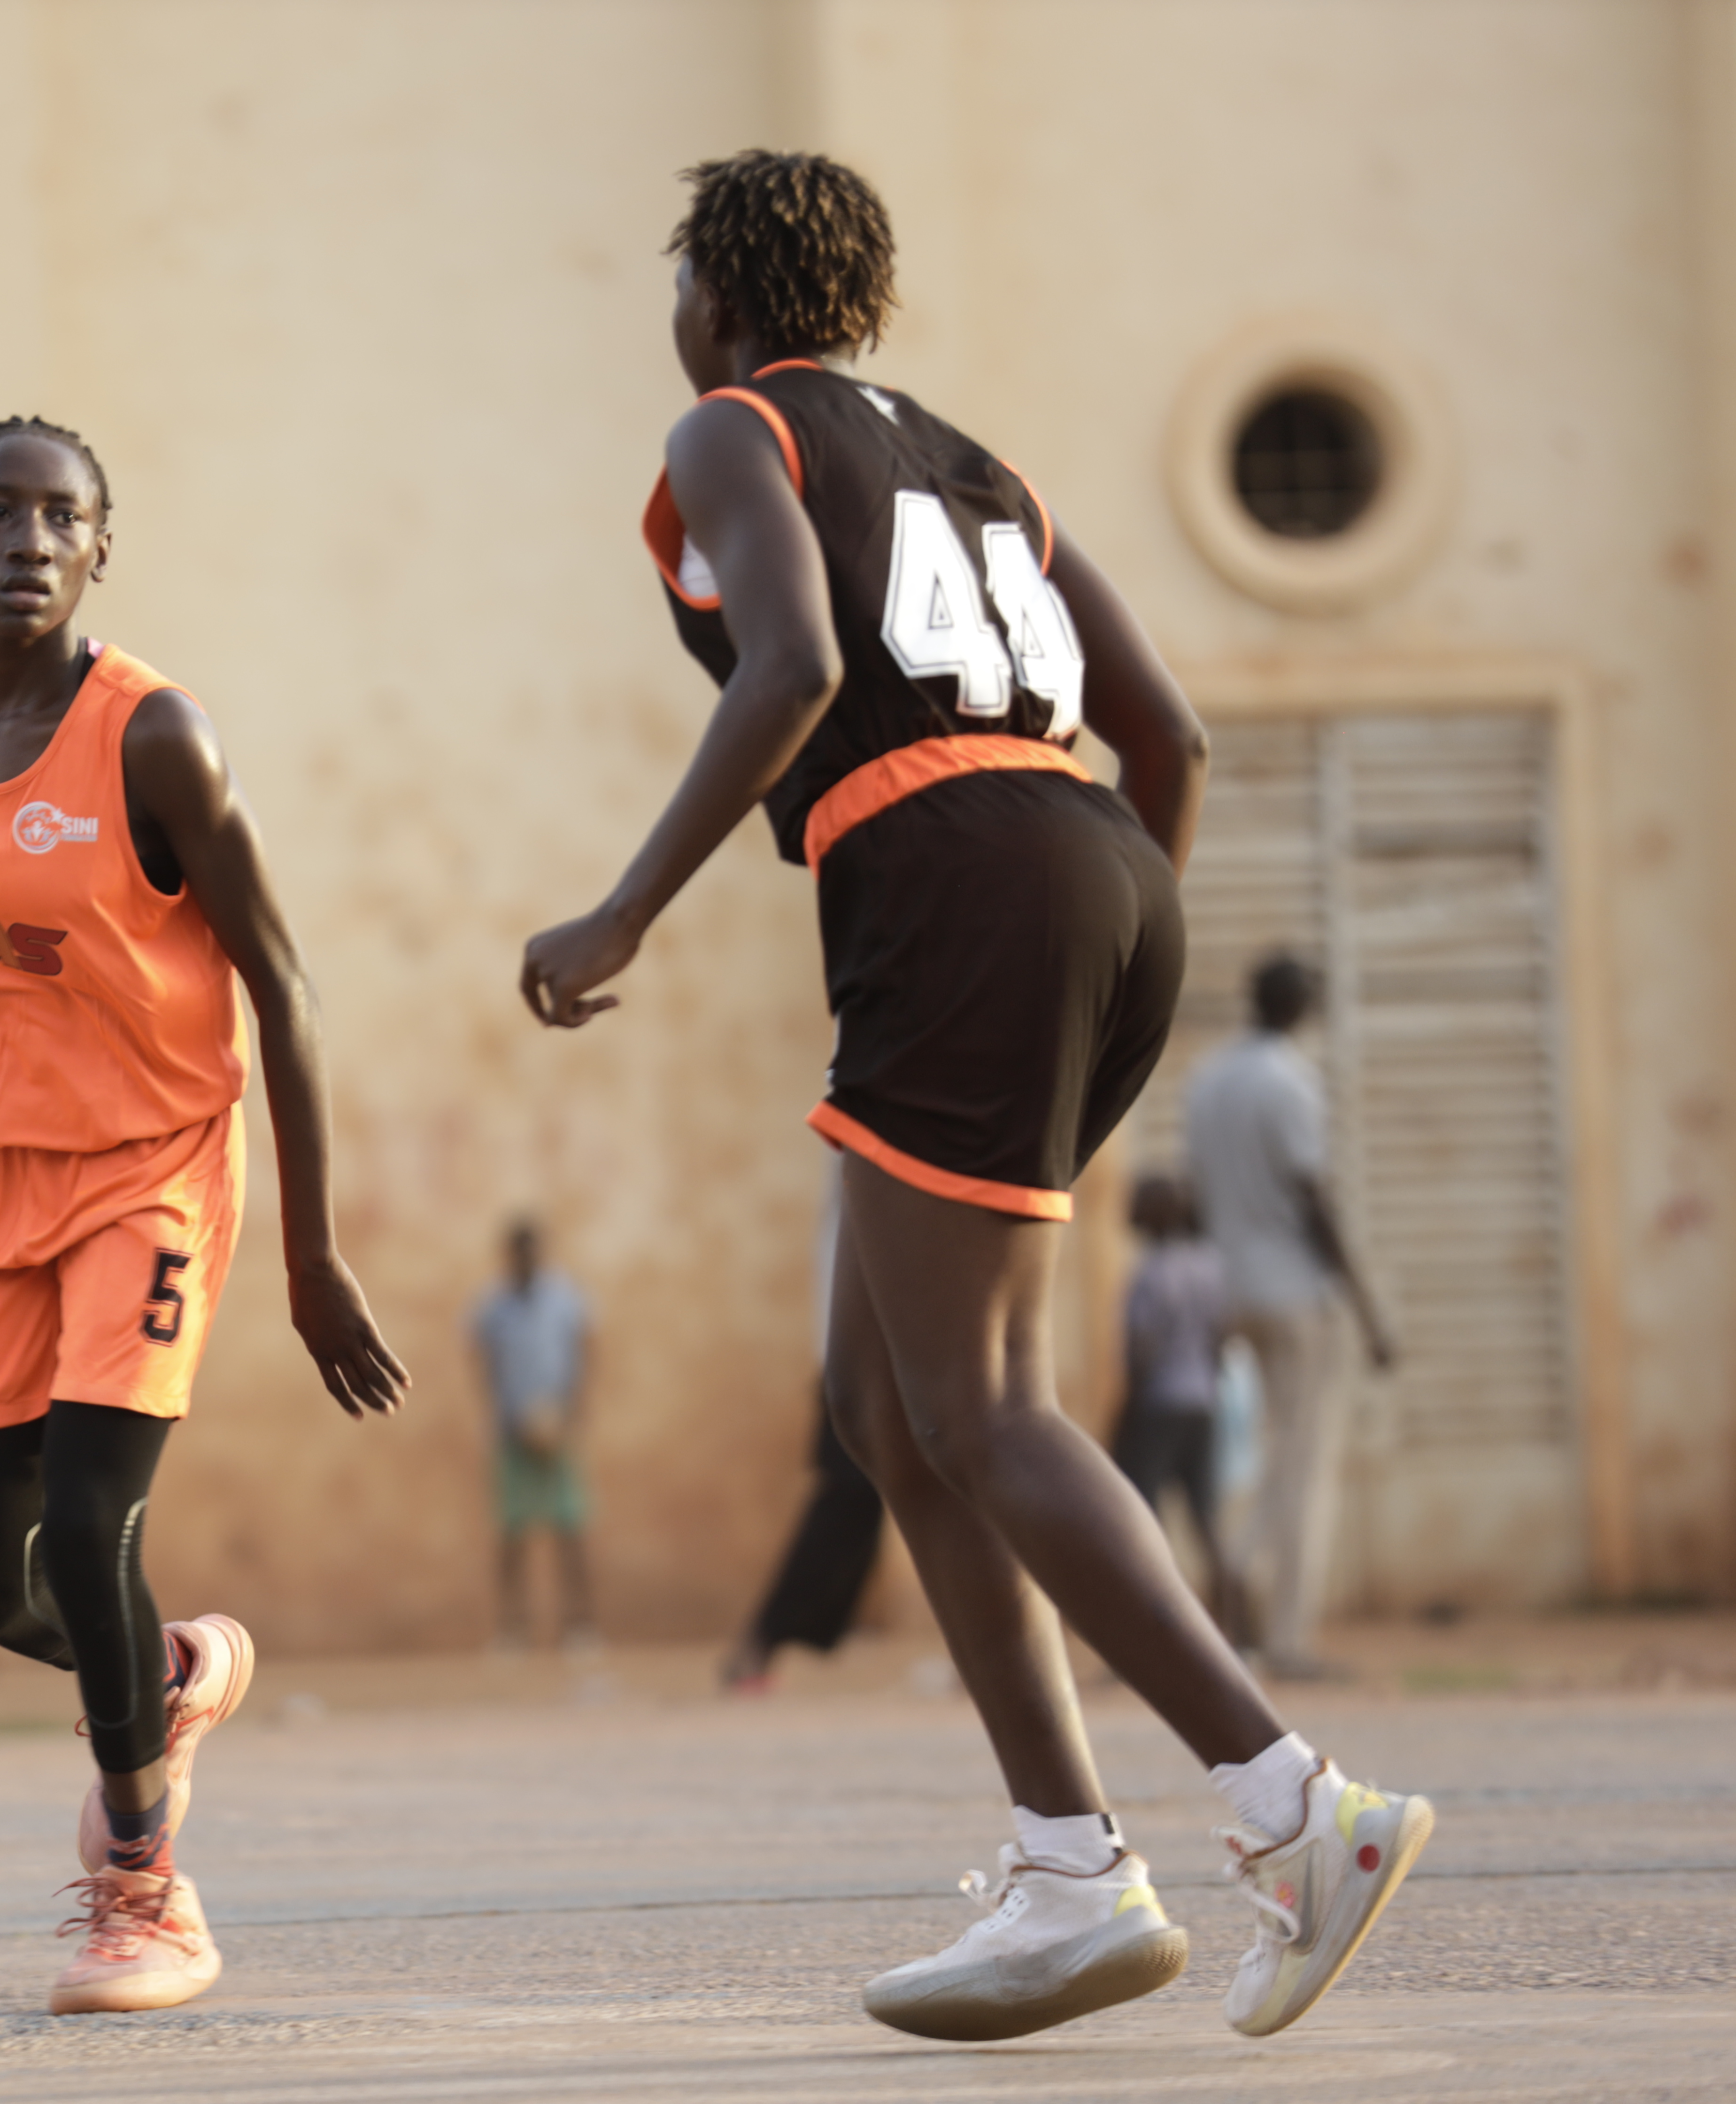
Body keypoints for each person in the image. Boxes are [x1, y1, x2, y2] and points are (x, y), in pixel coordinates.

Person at [517, 151, 1432, 2044]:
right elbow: (1163, 730)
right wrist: (1102, 940)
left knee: (982, 1402)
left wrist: (622, 910)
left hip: (952, 885)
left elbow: (794, 667)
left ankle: (1292, 1809)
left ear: (722, 291)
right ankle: (1068, 1871)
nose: (672, 312)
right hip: (1095, 866)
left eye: (678, 278)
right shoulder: (981, 469)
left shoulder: (727, 428)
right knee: (887, 1405)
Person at [0, 415, 407, 2017]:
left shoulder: (155, 742)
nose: (30, 540)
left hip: (150, 1164)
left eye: (65, 516)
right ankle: (173, 1679)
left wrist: (314, 1254)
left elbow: (285, 982)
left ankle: (145, 1894)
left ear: (100, 551)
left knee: (93, 1510)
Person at [1184, 953, 1396, 1678]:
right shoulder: (1290, 1082)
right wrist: (1369, 1311)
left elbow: (1194, 1189)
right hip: (1296, 1292)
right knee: (1302, 1460)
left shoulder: (1206, 1079)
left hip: (1226, 1286)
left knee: (1250, 1450)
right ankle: (1283, 1632)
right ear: (1304, 1008)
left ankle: (1236, 1577)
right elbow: (1314, 1200)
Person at [721, 1187, 884, 1693]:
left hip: (890, 1348)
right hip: (859, 1355)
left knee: (961, 1491)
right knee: (850, 1498)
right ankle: (764, 1637)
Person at [1110, 1174, 1246, 1643]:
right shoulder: (1209, 1263)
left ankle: (1154, 1634)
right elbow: (1221, 1337)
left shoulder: (1151, 1273)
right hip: (1202, 1403)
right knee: (1207, 1518)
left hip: (1159, 1406)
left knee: (1142, 1523)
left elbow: (1142, 1352)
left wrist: (1124, 1414)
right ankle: (1236, 1631)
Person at [470, 1218, 597, 1654]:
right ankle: (512, 1631)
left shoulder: (565, 1299)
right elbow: (484, 1364)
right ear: (511, 1255)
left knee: (570, 1532)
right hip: (512, 1433)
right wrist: (499, 1419)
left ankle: (580, 1628)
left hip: (557, 1432)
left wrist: (571, 1419)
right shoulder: (492, 1307)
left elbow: (584, 1353)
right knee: (512, 1536)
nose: (527, 1260)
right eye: (519, 1252)